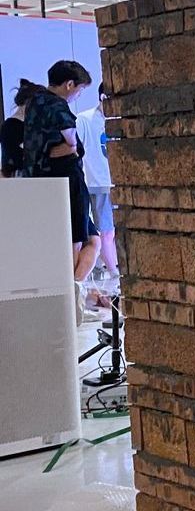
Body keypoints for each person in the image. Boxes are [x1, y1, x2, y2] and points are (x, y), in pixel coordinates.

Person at [18, 61, 103, 323]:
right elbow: (73, 144)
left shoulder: (34, 104)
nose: (78, 95)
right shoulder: (57, 106)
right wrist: (70, 149)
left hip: (41, 185)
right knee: (78, 239)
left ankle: (71, 298)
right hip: (67, 180)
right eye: (79, 90)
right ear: (69, 85)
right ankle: (71, 302)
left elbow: (35, 148)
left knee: (77, 240)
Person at [75, 100, 117, 285]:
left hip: (114, 182)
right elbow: (76, 150)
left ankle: (114, 270)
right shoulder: (84, 119)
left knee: (111, 232)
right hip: (96, 182)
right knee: (105, 232)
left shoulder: (114, 119)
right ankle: (115, 274)